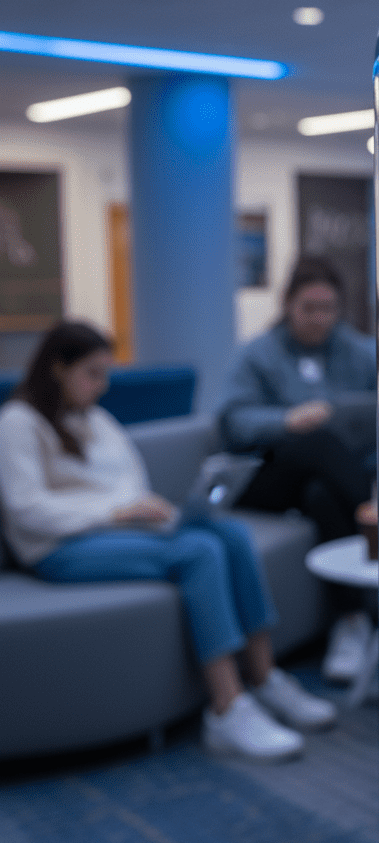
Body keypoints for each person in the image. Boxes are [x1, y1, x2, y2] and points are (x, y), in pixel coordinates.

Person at [0, 321, 337, 763]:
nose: (102, 387)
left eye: (105, 374)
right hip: (57, 547)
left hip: (116, 532)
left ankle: (264, 676)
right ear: (58, 368)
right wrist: (117, 512)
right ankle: (226, 709)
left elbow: (128, 480)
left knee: (230, 534)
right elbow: (27, 509)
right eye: (92, 374)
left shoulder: (94, 420)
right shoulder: (19, 423)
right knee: (199, 553)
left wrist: (147, 507)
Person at [217, 257, 378, 683]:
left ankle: (352, 624)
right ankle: (374, 512)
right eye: (309, 308)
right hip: (266, 474)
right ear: (287, 304)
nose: (320, 318)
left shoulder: (358, 351)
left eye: (328, 309)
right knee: (317, 437)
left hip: (322, 480)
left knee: (321, 496)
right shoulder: (258, 354)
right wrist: (285, 421)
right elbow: (232, 420)